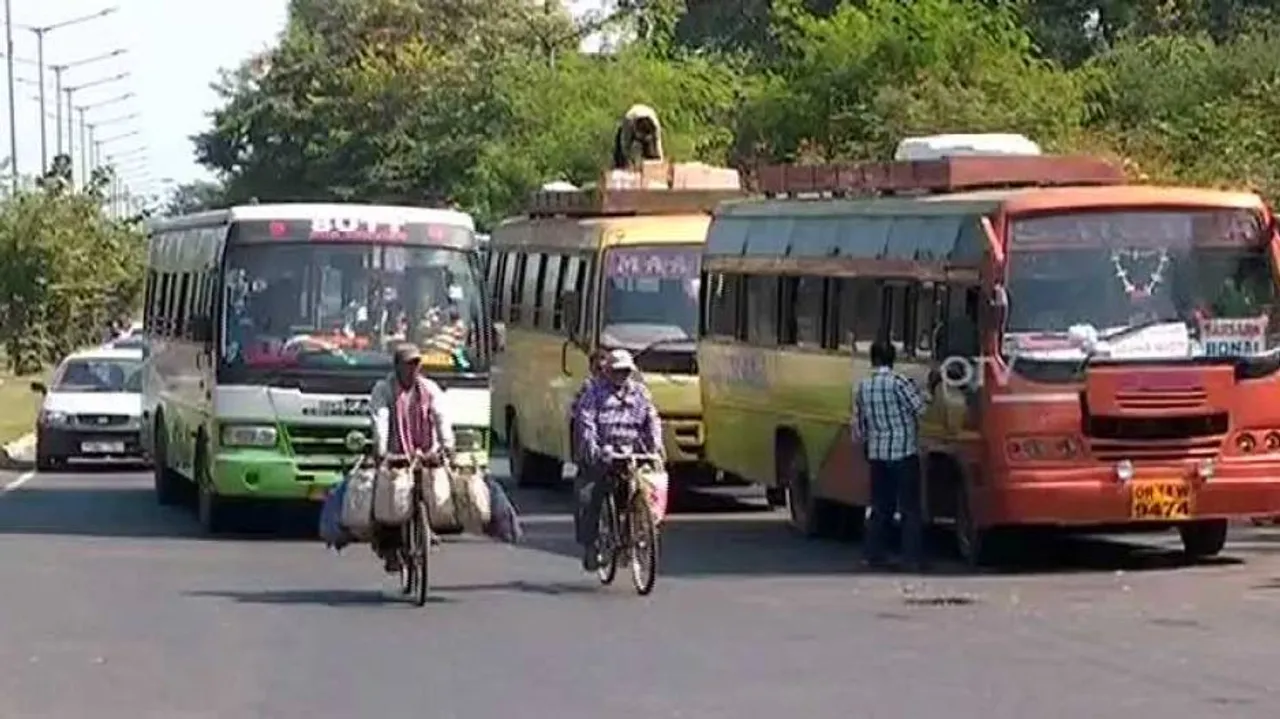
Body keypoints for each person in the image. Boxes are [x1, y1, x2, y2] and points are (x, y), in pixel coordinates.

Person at [368, 342, 455, 572]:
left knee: (437, 489)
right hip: (395, 454)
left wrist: (447, 445)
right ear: (397, 366)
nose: (413, 369)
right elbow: (381, 419)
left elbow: (441, 416)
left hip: (425, 452)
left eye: (416, 364)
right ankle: (389, 550)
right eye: (408, 364)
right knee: (386, 499)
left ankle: (427, 528)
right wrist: (382, 450)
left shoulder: (429, 389)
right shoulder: (383, 389)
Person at [573, 349, 663, 571]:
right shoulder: (593, 393)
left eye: (625, 371)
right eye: (616, 371)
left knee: (650, 488)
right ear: (607, 372)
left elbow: (652, 420)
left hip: (633, 452)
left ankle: (638, 533)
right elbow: (586, 423)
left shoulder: (640, 393)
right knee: (588, 495)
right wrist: (594, 450)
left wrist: (655, 447)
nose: (621, 376)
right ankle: (590, 545)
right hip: (605, 452)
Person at [854, 340, 929, 571]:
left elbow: (860, 426)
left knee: (880, 507)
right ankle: (911, 558)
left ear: (873, 359)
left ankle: (873, 555)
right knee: (909, 509)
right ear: (892, 359)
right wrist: (929, 390)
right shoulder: (899, 383)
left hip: (878, 455)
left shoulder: (863, 387)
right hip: (903, 453)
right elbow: (921, 409)